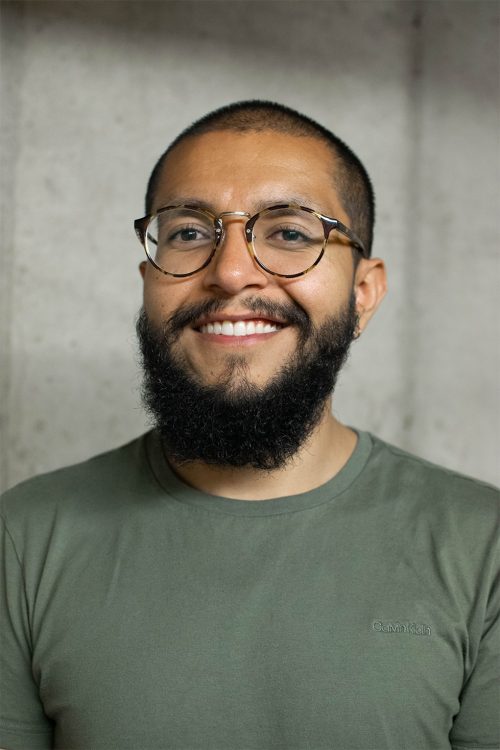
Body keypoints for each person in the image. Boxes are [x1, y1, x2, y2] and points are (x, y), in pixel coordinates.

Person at [1, 100, 498, 750]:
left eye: (290, 232)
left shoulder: (483, 549)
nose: (232, 272)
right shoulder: (24, 540)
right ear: (148, 276)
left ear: (363, 293)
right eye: (187, 233)